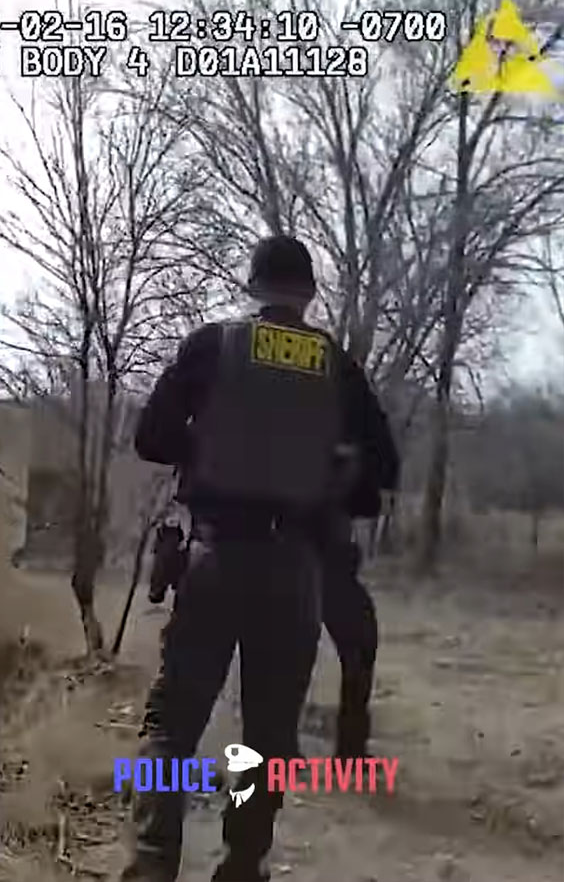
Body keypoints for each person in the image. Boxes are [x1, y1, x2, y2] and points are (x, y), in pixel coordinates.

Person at [121, 235, 372, 882]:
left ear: (254, 287)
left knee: (173, 725)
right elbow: (375, 473)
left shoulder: (214, 345)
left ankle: (152, 866)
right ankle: (241, 864)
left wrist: (208, 450)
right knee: (267, 734)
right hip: (295, 573)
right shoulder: (338, 366)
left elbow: (150, 439)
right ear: (309, 295)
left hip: (215, 557)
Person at [315, 377, 399, 759]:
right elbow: (372, 495)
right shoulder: (342, 424)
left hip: (285, 554)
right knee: (360, 648)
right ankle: (348, 754)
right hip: (322, 560)